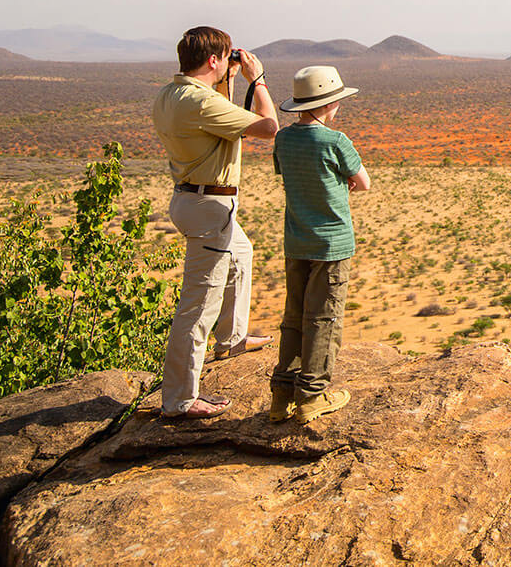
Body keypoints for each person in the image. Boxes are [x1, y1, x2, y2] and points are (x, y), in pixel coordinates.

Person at [152, 26, 278, 419]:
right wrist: (256, 80)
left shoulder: (171, 95)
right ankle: (179, 399)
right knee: (200, 302)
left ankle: (232, 338)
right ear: (213, 60)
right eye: (225, 57)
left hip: (192, 199)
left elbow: (219, 116)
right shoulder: (201, 102)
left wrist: (226, 79)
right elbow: (268, 127)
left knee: (241, 254)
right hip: (209, 207)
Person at [268, 65, 370, 424]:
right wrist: (343, 182)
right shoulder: (335, 141)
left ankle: (281, 396)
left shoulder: (283, 139)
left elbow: (291, 176)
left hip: (296, 239)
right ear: (328, 104)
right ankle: (312, 397)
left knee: (293, 316)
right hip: (331, 243)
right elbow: (364, 182)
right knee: (324, 318)